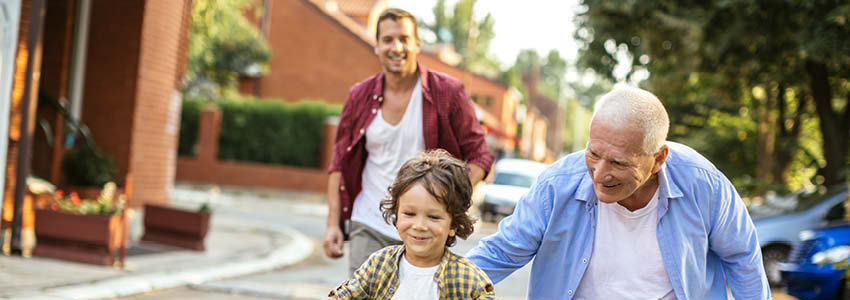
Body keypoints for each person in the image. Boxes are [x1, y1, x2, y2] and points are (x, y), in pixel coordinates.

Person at [466, 86, 771, 299]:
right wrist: (436, 285)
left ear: (658, 159)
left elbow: (742, 257)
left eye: (618, 162)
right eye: (594, 153)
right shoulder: (556, 185)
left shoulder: (705, 185)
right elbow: (502, 251)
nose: (599, 174)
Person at [324, 7, 493, 276]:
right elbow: (338, 163)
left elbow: (480, 157)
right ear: (377, 45)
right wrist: (333, 223)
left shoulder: (447, 92)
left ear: (417, 44)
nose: (396, 47)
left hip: (425, 228)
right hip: (369, 222)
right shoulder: (359, 95)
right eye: (388, 40)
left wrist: (446, 195)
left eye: (404, 39)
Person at [326, 150, 496, 299]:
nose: (419, 225)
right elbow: (346, 295)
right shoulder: (379, 263)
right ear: (397, 214)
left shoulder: (469, 281)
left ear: (453, 225)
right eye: (409, 214)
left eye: (433, 217)